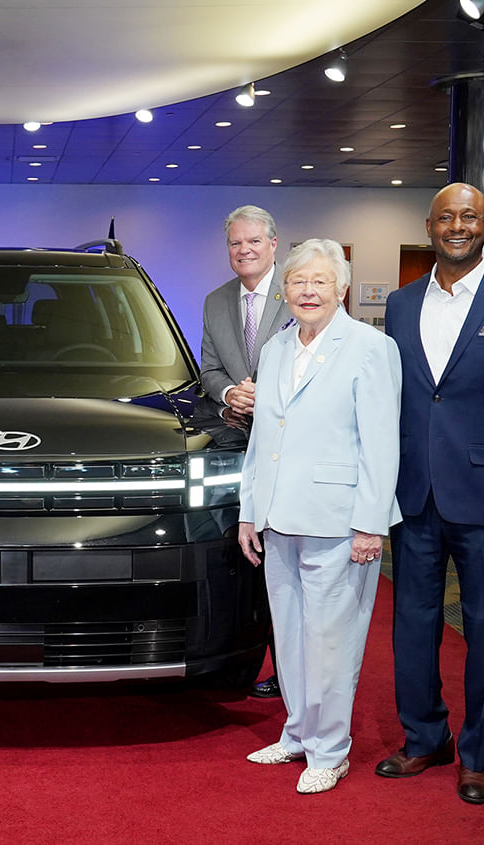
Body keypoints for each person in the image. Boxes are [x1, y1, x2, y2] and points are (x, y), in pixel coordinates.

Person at [376, 183, 484, 804]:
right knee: (412, 625)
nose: (458, 226)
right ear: (429, 226)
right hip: (414, 497)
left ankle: (478, 756)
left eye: (469, 217)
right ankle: (425, 737)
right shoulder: (400, 304)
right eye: (447, 217)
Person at [237, 238, 402, 795]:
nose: (308, 291)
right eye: (298, 281)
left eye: (320, 281)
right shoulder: (276, 348)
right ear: (283, 290)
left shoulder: (371, 348)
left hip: (338, 520)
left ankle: (329, 751)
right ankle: (297, 733)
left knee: (331, 642)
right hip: (278, 516)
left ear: (342, 288)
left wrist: (370, 523)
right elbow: (263, 438)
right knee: (289, 638)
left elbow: (382, 444)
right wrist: (249, 511)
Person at [200, 204, 293, 699]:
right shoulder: (216, 301)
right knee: (255, 562)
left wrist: (268, 394)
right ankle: (262, 663)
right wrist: (228, 394)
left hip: (295, 448)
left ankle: (292, 674)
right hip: (242, 446)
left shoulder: (297, 291)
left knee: (290, 565)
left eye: (254, 241)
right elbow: (209, 370)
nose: (244, 250)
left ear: (273, 244)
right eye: (236, 243)